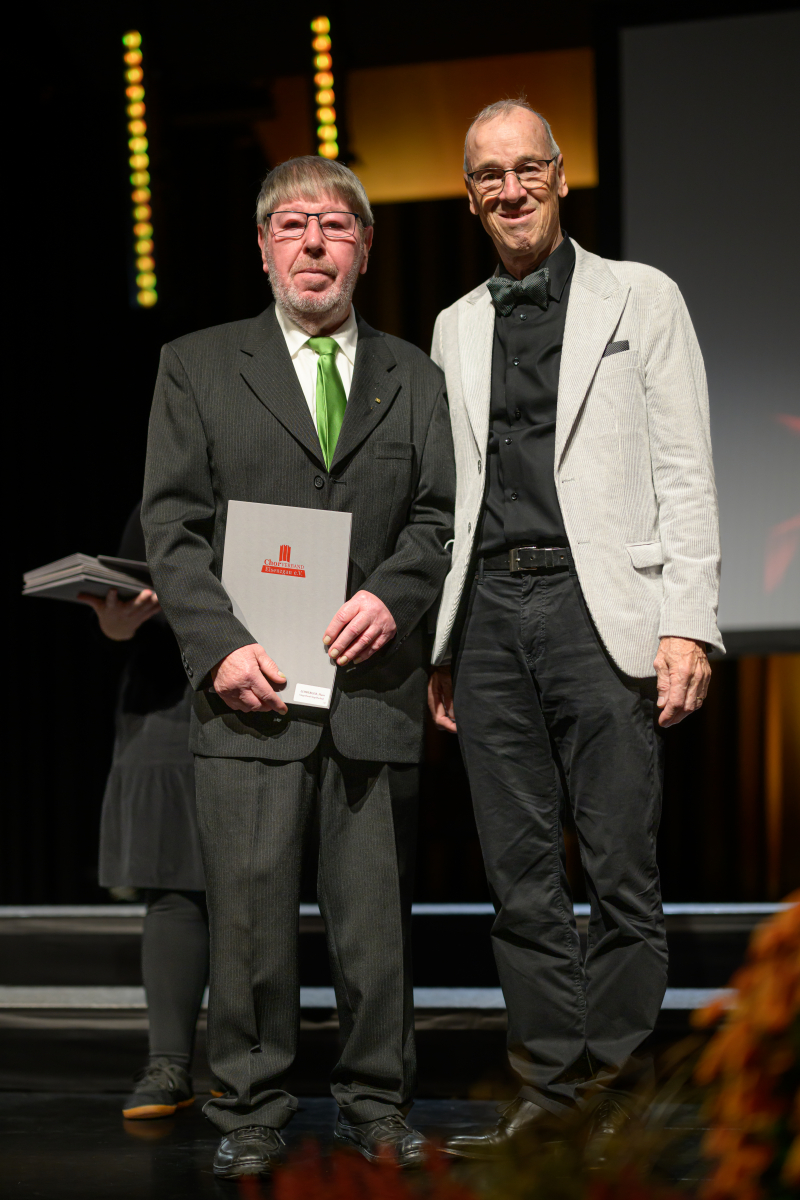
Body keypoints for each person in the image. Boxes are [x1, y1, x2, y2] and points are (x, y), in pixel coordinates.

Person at [141, 156, 455, 1178]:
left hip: (371, 690)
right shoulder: (196, 365)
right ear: (263, 248)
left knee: (376, 928)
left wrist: (394, 596)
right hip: (251, 691)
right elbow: (172, 526)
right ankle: (249, 1107)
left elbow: (436, 518)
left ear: (364, 248)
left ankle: (377, 1103)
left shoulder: (416, 376)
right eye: (292, 225)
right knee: (246, 919)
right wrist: (219, 646)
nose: (314, 243)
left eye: (334, 225)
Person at [426, 99, 723, 1157]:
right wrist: (441, 641)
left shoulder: (642, 295)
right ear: (470, 197)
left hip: (600, 610)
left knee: (620, 870)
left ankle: (616, 1091)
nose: (510, 188)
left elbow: (684, 469)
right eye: (488, 175)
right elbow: (449, 495)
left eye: (526, 168)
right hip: (487, 614)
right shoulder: (454, 325)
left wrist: (688, 622)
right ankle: (550, 1097)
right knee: (518, 880)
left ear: (559, 176)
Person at [80, 503, 211, 1120]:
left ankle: (250, 1069)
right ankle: (169, 1065)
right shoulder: (163, 496)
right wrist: (116, 625)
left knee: (253, 887)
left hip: (271, 682)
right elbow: (127, 597)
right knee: (171, 880)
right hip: (168, 693)